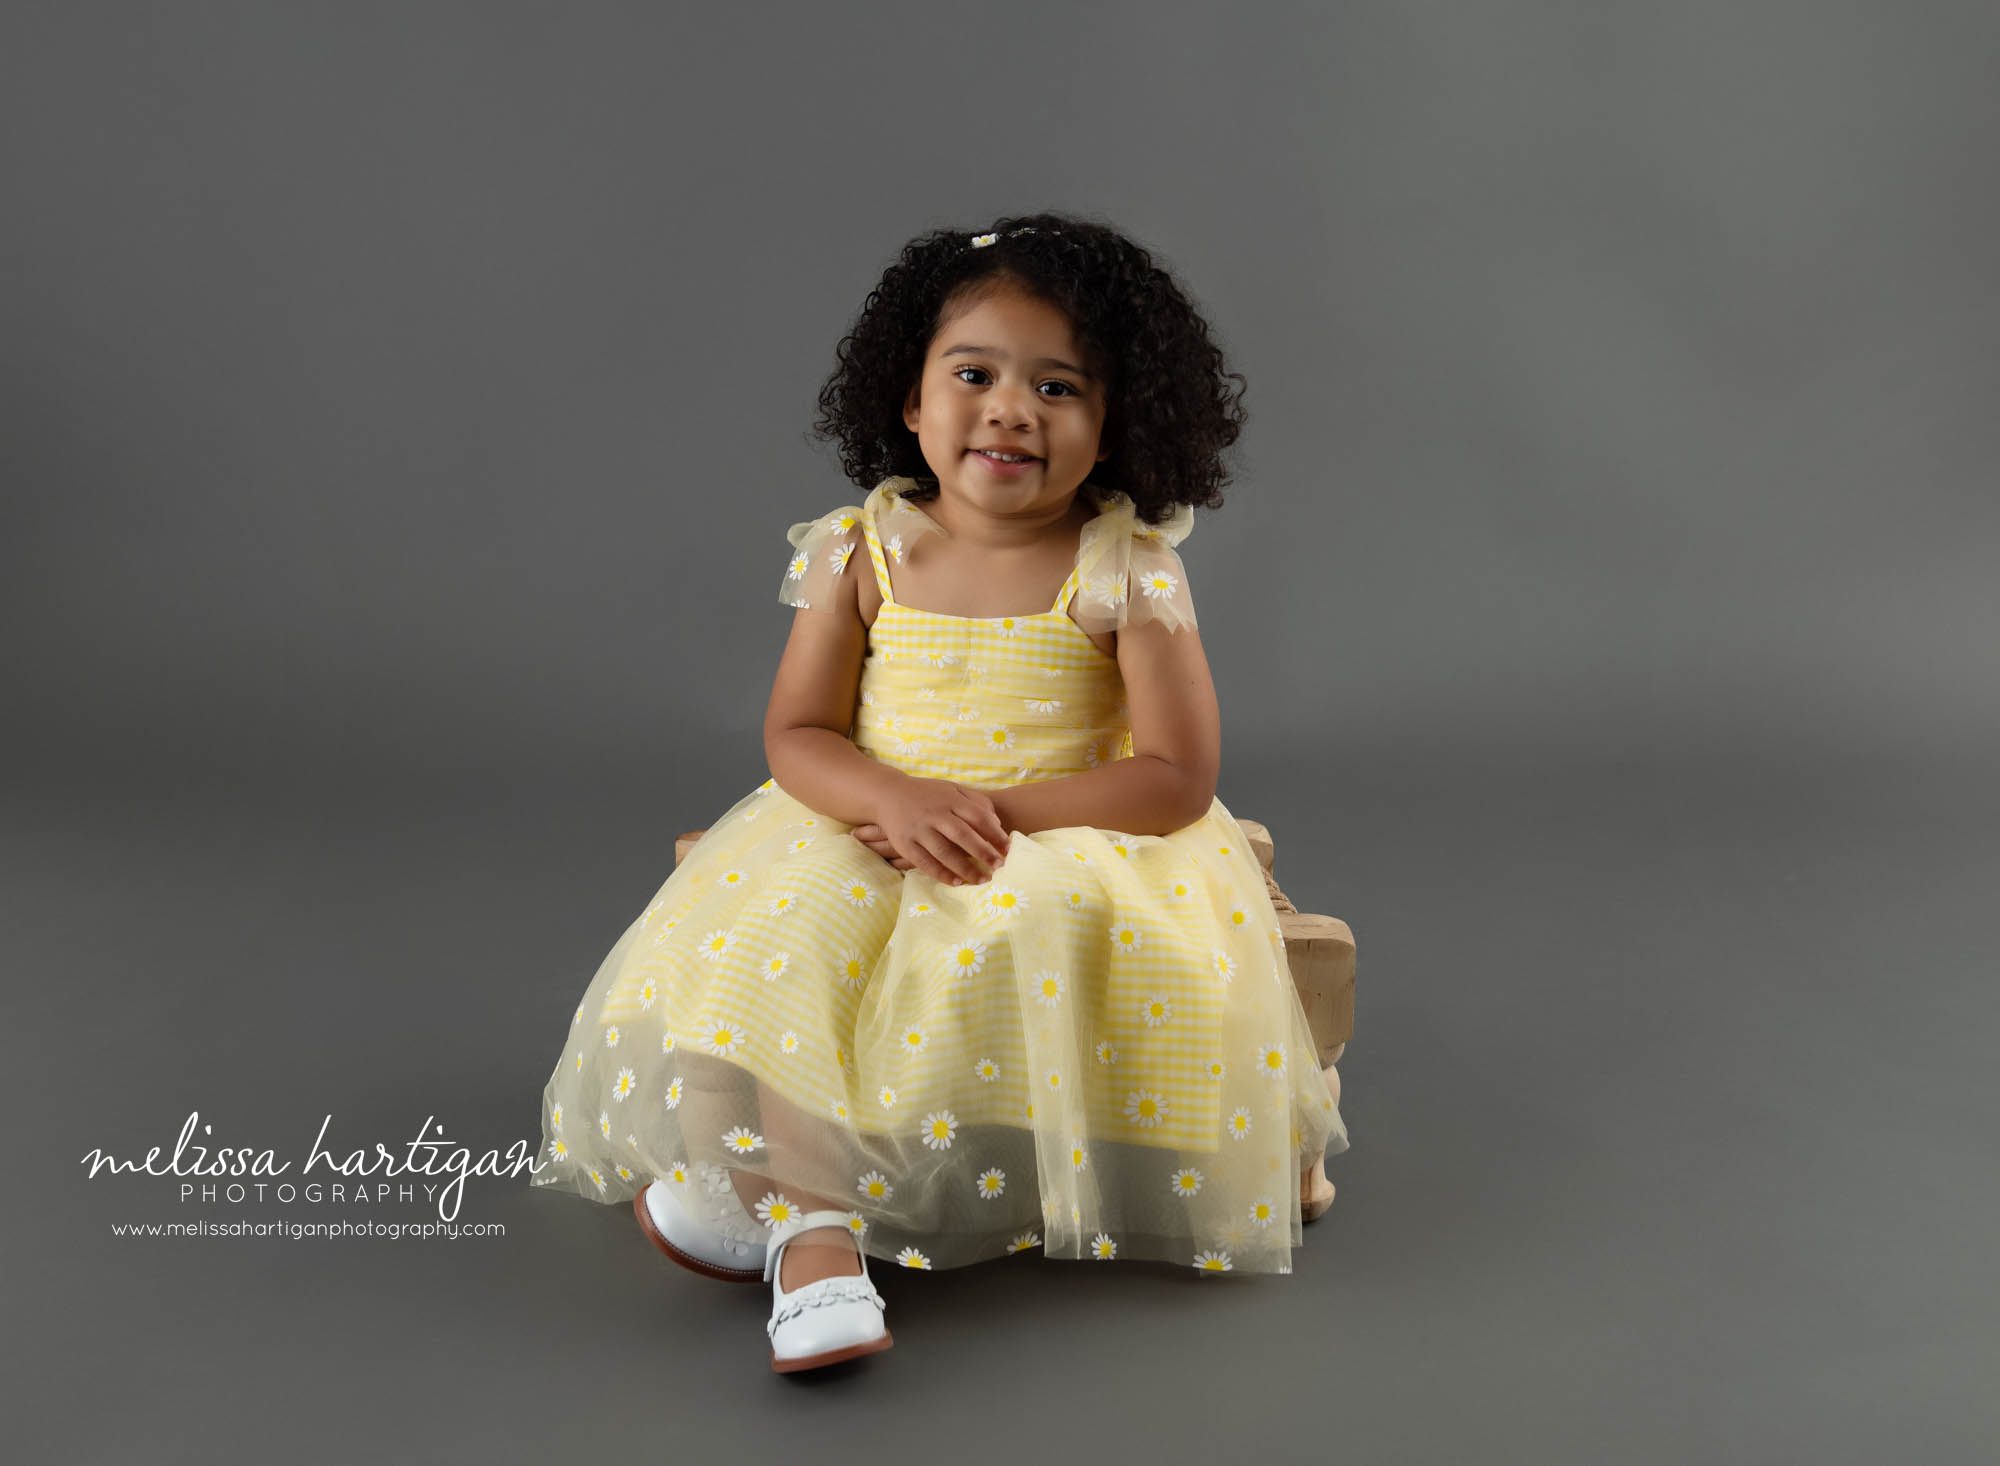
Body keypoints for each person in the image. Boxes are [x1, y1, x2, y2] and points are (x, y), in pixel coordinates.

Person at [532, 211, 1348, 1371]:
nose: (1012, 408)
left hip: (1066, 823)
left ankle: (848, 1181)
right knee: (793, 921)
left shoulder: (1121, 566)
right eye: (974, 374)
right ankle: (811, 1231)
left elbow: (1174, 777)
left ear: (1116, 421)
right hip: (873, 810)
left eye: (1058, 386)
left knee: (1027, 915)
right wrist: (895, 799)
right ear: (909, 401)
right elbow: (796, 732)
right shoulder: (862, 550)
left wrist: (996, 815)